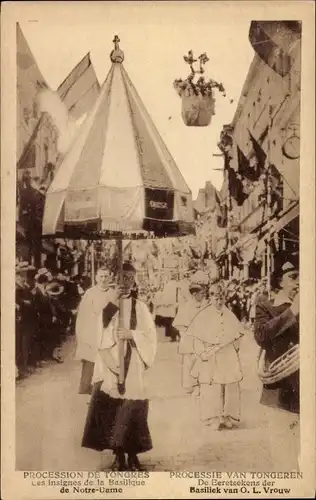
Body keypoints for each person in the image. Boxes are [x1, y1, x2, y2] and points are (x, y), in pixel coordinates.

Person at [81, 262, 157, 471]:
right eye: (123, 278)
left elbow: (150, 335)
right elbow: (99, 331)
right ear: (116, 279)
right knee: (115, 409)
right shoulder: (109, 306)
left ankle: (133, 455)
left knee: (133, 408)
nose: (126, 283)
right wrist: (113, 342)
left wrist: (132, 334)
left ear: (134, 282)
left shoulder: (140, 307)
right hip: (113, 361)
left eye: (130, 279)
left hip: (133, 362)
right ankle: (118, 456)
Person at [254, 258, 299, 471]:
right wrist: (293, 311)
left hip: (306, 387)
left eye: (301, 277)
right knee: (283, 451)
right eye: (293, 277)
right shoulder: (266, 307)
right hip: (279, 389)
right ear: (280, 282)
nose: (298, 282)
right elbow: (261, 336)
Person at [189, 282, 244, 430]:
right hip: (211, 355)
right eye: (215, 298)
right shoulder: (203, 315)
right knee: (212, 386)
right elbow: (197, 338)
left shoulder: (229, 314)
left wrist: (234, 347)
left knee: (230, 384)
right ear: (210, 298)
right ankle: (213, 416)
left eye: (221, 298)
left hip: (227, 355)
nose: (218, 301)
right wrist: (202, 353)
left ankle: (227, 415)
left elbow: (237, 334)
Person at [75, 267, 116, 394]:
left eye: (106, 276)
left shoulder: (113, 294)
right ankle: (88, 388)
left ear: (110, 278)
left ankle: (104, 389)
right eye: (101, 277)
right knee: (91, 360)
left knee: (107, 361)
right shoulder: (90, 293)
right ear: (97, 278)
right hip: (92, 330)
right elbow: (83, 314)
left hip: (108, 331)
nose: (103, 279)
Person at [173, 279, 208, 394]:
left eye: (204, 293)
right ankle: (188, 384)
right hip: (189, 338)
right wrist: (188, 334)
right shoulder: (186, 307)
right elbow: (180, 325)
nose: (204, 296)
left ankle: (199, 381)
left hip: (201, 338)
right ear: (194, 294)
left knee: (200, 360)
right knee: (189, 361)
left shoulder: (204, 306)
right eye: (202, 293)